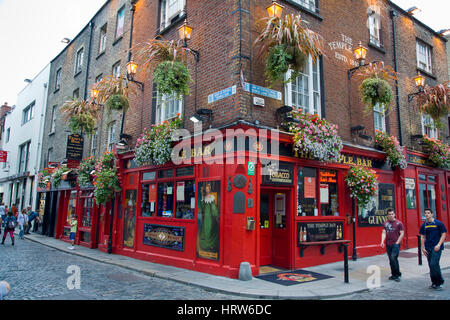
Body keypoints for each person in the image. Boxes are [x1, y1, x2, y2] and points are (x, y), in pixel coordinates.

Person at [420, 208, 447, 290]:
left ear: (432, 214)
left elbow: (443, 234)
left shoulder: (438, 223)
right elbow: (422, 237)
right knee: (431, 265)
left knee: (434, 264)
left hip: (436, 248)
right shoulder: (424, 225)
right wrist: (423, 248)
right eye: (425, 213)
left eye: (428, 213)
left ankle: (440, 282)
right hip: (428, 247)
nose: (427, 214)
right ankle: (434, 282)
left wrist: (439, 245)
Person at [380, 208, 404, 282]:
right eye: (389, 214)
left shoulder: (399, 223)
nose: (391, 215)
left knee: (394, 258)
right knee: (391, 259)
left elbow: (402, 233)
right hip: (388, 244)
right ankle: (393, 274)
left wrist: (397, 242)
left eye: (392, 214)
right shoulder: (385, 223)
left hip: (395, 244)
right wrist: (382, 241)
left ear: (394, 214)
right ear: (387, 215)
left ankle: (398, 274)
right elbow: (384, 232)